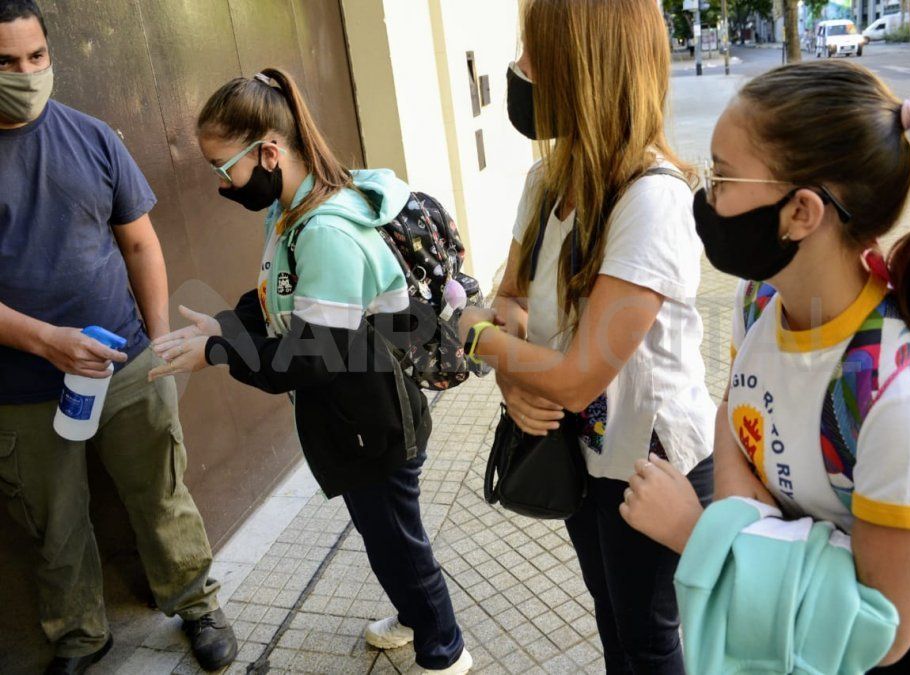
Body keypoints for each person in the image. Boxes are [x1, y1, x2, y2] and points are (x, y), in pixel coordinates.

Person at [620, 60, 910, 674]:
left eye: (722, 173)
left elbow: (874, 630)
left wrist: (702, 536)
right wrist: (754, 524)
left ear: (801, 212)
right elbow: (736, 417)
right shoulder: (763, 299)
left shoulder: (904, 395)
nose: (704, 187)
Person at [148, 68, 471, 675]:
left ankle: (445, 652)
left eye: (225, 168)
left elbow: (310, 358)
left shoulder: (322, 230)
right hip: (352, 413)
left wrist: (218, 353)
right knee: (387, 536)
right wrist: (227, 326)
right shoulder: (291, 211)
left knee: (398, 543)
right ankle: (414, 616)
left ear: (269, 151)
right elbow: (277, 295)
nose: (223, 183)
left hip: (374, 418)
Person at [457, 0, 715, 671]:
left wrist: (477, 342)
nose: (519, 68)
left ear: (583, 67)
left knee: (647, 637)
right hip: (582, 448)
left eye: (532, 51)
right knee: (609, 613)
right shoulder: (548, 181)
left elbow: (576, 374)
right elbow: (507, 298)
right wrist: (514, 379)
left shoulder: (651, 200)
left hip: (648, 462)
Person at [0, 2, 237, 673]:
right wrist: (45, 340)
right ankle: (80, 636)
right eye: (7, 63)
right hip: (19, 386)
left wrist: (158, 340)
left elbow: (139, 244)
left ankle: (196, 604)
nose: (28, 73)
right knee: (54, 523)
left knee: (161, 491)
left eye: (37, 57)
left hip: (126, 364)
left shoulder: (92, 136)